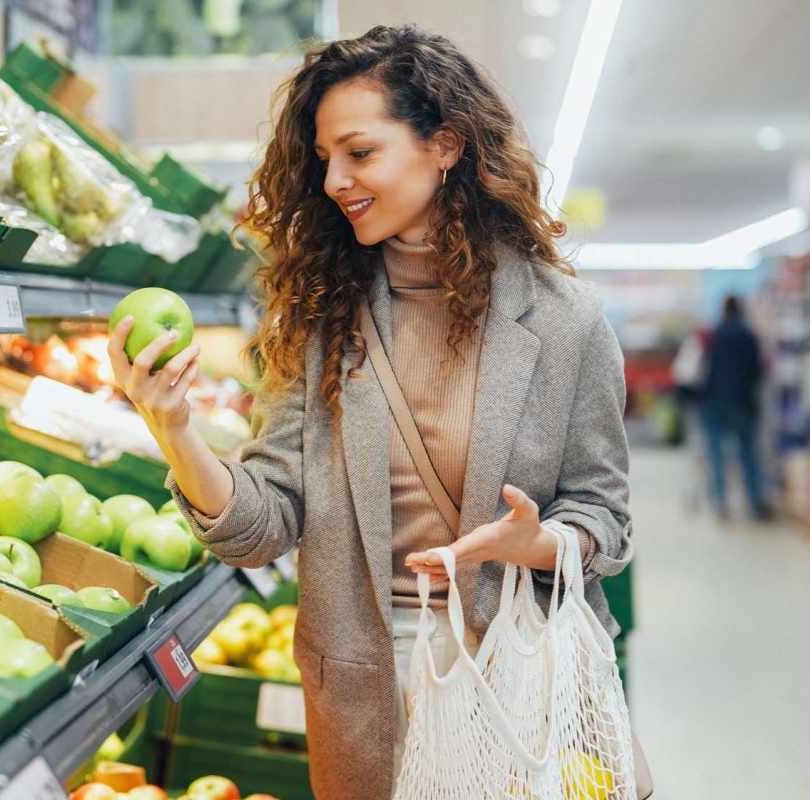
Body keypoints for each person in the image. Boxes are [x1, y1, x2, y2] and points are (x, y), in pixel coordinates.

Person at [107, 25, 633, 800]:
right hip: (363, 681)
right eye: (322, 160)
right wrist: (174, 429)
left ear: (445, 144)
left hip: (514, 671)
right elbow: (263, 526)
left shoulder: (564, 321)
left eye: (359, 153)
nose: (333, 181)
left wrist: (543, 541)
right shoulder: (321, 319)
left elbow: (606, 517)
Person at [700, 294, 770, 520]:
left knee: (717, 456)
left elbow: (706, 368)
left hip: (715, 402)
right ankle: (754, 502)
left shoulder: (715, 334)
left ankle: (721, 502)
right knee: (748, 454)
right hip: (743, 402)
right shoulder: (749, 336)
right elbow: (757, 371)